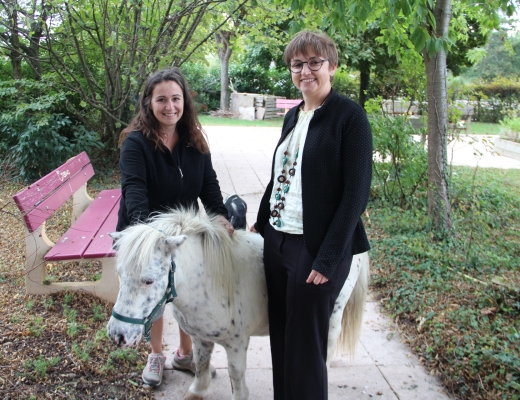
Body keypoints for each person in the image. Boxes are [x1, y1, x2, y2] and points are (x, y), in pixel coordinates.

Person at [250, 31, 372, 399]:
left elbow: (356, 194)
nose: (306, 71)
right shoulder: (293, 116)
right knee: (283, 337)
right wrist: (262, 218)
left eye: (314, 62)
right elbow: (281, 173)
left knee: (305, 349)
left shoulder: (349, 117)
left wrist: (329, 256)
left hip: (317, 247)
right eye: (297, 64)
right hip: (278, 239)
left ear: (332, 66)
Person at [116, 67, 234, 387]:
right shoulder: (136, 144)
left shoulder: (195, 141)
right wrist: (151, 239)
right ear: (149, 103)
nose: (170, 106)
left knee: (185, 290)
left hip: (182, 231)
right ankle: (156, 353)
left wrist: (220, 217)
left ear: (185, 102)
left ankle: (185, 352)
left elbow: (209, 187)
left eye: (176, 99)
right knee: (155, 291)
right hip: (145, 231)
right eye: (162, 99)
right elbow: (135, 194)